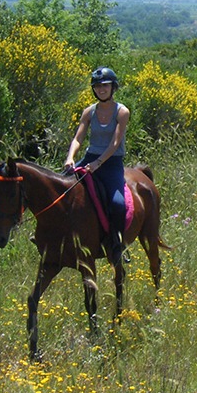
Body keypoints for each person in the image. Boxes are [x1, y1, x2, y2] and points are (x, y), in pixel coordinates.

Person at [64, 67, 131, 264]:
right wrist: (70, 157)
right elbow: (78, 138)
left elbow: (115, 143)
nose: (101, 89)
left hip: (111, 163)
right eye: (97, 86)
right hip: (89, 158)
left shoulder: (122, 111)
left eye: (105, 85)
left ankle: (117, 246)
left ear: (113, 87)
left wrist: (98, 163)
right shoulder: (89, 111)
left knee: (118, 204)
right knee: (59, 189)